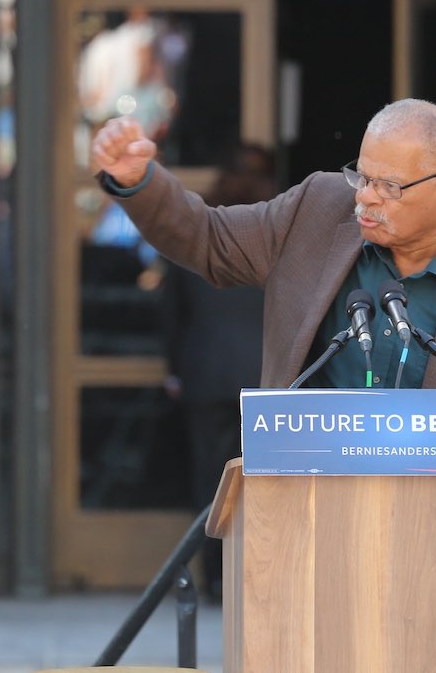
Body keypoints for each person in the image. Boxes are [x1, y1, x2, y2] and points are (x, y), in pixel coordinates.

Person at [91, 98, 436, 469]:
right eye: (362, 176)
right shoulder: (317, 211)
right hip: (310, 523)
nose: (366, 199)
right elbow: (210, 240)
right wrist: (140, 181)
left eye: (388, 186)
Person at [160, 144, 277, 602]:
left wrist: (174, 369)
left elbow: (171, 313)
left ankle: (216, 581)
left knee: (212, 482)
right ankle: (255, 579)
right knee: (263, 484)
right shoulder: (280, 235)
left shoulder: (200, 234)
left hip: (206, 373)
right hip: (266, 378)